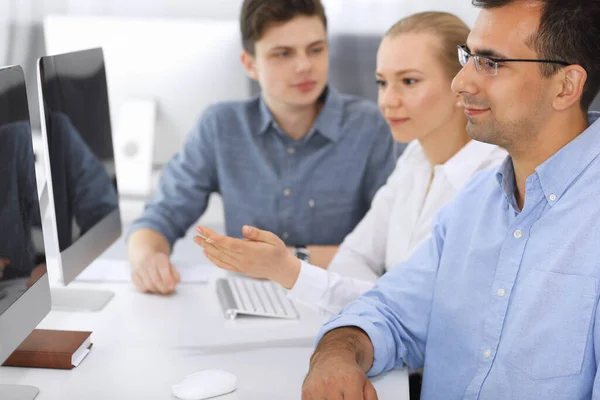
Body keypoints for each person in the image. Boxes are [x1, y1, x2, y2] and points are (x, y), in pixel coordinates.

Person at [296, 1, 600, 399]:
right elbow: (389, 312)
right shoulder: (473, 203)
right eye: (468, 58)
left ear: (565, 86)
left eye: (491, 63)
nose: (461, 83)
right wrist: (335, 355)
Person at [193, 12, 507, 315]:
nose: (388, 100)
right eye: (382, 82)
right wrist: (372, 296)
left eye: (409, 81)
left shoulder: (493, 182)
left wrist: (287, 269)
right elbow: (355, 257)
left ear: (462, 84)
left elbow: (415, 308)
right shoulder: (415, 159)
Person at [127, 0, 397, 295]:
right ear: (249, 64)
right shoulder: (221, 126)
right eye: (283, 54)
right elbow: (160, 216)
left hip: (335, 302)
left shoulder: (370, 127)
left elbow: (388, 248)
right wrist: (147, 258)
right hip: (246, 303)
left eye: (316, 49)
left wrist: (283, 262)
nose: (305, 65)